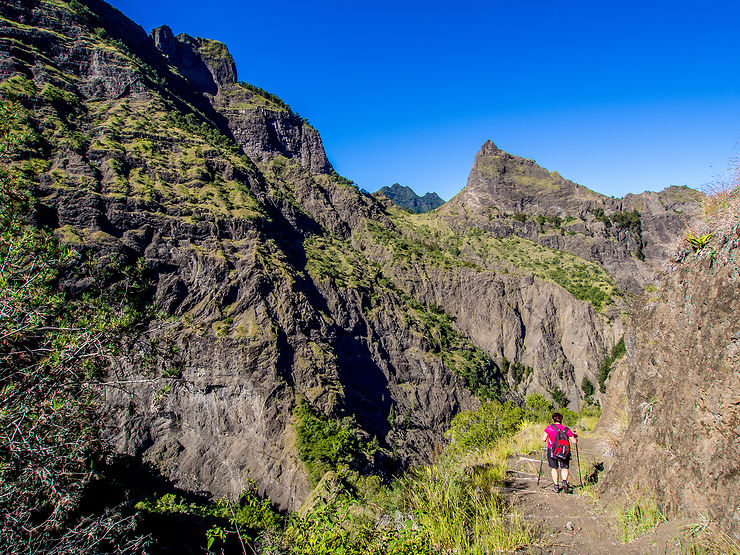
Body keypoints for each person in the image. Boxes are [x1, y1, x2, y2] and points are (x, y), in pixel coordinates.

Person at [542, 412, 577, 493]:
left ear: (553, 419)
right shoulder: (566, 429)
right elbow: (574, 441)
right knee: (564, 467)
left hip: (552, 450)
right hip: (564, 451)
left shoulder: (549, 428)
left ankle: (556, 486)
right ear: (561, 420)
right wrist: (575, 436)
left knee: (554, 468)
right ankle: (564, 482)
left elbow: (544, 439)